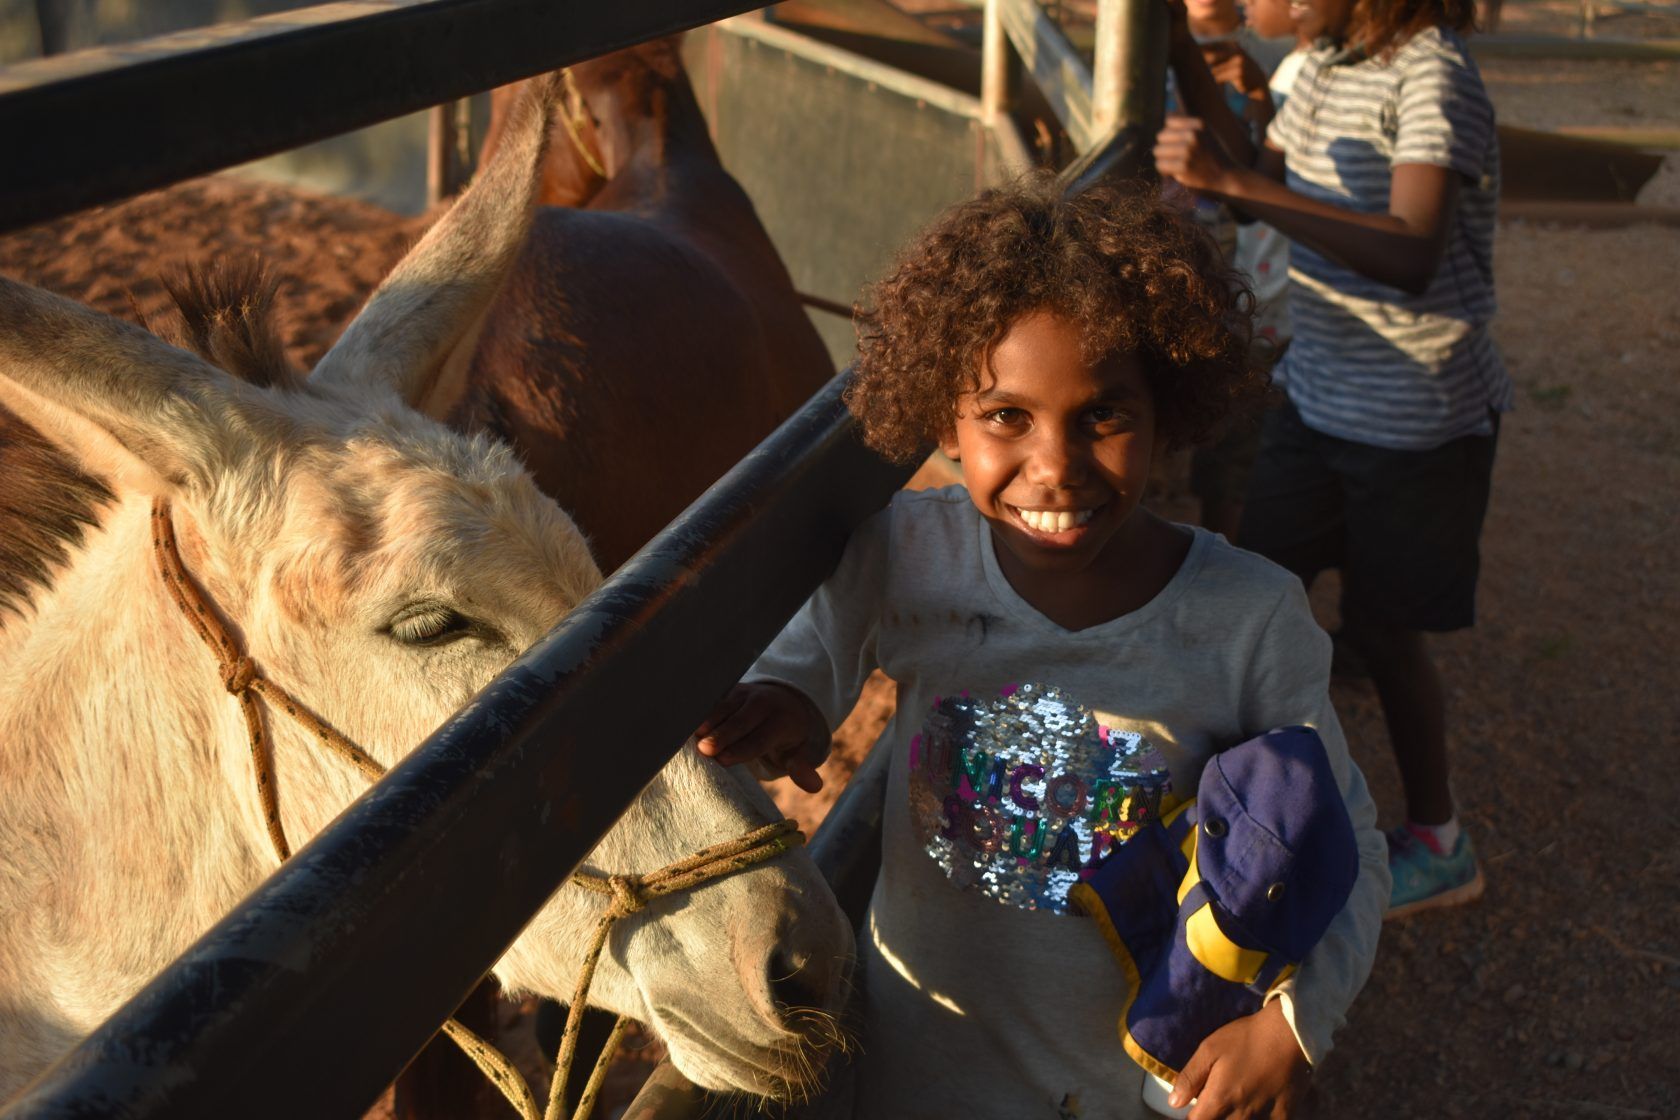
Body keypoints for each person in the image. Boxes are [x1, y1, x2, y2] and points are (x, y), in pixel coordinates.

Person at [696, 177, 1389, 1120]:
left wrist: (1290, 1027)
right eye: (1006, 416)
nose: (1056, 465)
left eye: (1104, 414)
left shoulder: (1248, 618)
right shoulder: (909, 552)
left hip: (1139, 1086)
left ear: (1168, 409)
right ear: (946, 420)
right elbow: (816, 647)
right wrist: (791, 702)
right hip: (920, 1070)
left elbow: (1348, 842)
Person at [1154, 0, 1508, 918]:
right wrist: (1180, 48)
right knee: (1255, 589)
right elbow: (1243, 185)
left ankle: (1441, 838)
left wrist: (1230, 178)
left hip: (1417, 419)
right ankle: (1231, 813)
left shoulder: (1432, 73)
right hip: (1316, 398)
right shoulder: (1315, 67)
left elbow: (1412, 251)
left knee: (1388, 635)